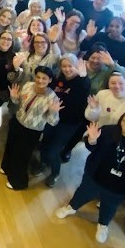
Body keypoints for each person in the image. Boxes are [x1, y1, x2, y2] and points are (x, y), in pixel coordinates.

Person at [55, 113, 125, 243]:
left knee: (109, 207)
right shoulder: (107, 131)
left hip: (120, 187)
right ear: (121, 122)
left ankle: (103, 225)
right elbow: (91, 147)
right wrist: (92, 140)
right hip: (95, 176)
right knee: (82, 194)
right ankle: (71, 207)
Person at [1, 66, 61, 190]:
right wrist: (14, 97)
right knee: (10, 146)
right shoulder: (28, 85)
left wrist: (53, 112)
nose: (40, 80)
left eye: (44, 78)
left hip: (32, 130)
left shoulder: (52, 97)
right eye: (38, 77)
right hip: (18, 121)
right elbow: (19, 103)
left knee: (22, 155)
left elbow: (53, 122)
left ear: (50, 80)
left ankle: (18, 182)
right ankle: (6, 167)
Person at [39, 54, 92, 187]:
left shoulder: (82, 81)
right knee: (44, 143)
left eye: (70, 66)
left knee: (53, 150)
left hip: (69, 123)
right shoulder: (59, 78)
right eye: (64, 66)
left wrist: (84, 77)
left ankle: (55, 173)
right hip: (52, 117)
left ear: (76, 66)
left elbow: (85, 89)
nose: (67, 69)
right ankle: (43, 163)